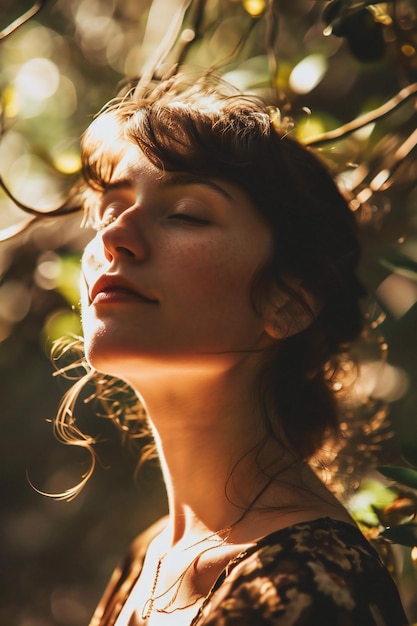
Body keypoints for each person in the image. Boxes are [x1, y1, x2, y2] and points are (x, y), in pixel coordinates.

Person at [58, 73, 409, 625]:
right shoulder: (147, 559)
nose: (113, 235)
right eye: (109, 209)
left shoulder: (309, 587)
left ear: (288, 303)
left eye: (187, 214)